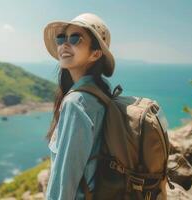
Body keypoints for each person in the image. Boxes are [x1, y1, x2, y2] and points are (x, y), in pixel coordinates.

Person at [43, 13, 116, 200]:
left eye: (75, 38)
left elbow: (65, 179)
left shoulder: (76, 103)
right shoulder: (101, 91)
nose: (64, 44)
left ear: (95, 54)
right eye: (61, 38)